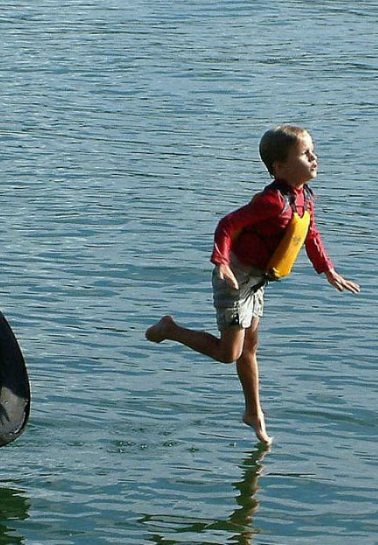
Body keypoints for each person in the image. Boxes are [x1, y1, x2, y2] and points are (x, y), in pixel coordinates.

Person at [146, 124, 360, 445]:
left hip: (259, 279)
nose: (315, 158)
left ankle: (253, 412)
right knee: (229, 353)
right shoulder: (272, 202)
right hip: (236, 275)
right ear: (280, 167)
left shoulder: (303, 198)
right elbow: (227, 224)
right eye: (305, 154)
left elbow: (310, 235)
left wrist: (327, 270)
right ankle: (170, 329)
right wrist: (220, 260)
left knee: (250, 348)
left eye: (313, 152)